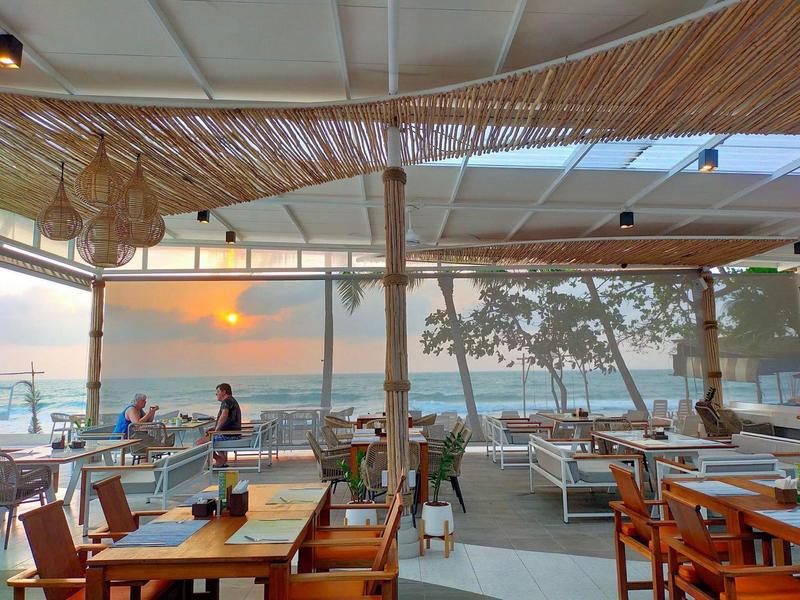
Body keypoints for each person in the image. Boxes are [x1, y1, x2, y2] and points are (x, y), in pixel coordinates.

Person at [197, 383, 242, 468]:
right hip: (232, 433)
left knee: (200, 443)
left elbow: (224, 415)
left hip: (229, 435)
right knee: (209, 435)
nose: (216, 394)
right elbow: (227, 420)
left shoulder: (227, 401)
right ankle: (222, 460)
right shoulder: (231, 400)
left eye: (218, 391)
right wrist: (215, 428)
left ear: (224, 392)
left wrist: (216, 430)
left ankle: (219, 459)